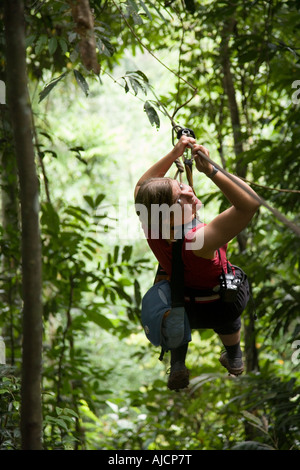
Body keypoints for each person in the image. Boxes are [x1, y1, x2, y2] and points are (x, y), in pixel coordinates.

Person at [134, 134, 260, 390]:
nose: (188, 190)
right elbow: (249, 205)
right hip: (220, 305)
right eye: (180, 194)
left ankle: (178, 362)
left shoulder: (151, 225)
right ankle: (234, 354)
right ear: (167, 213)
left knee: (178, 299)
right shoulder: (199, 241)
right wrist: (211, 171)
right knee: (233, 288)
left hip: (185, 307)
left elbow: (142, 186)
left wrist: (175, 153)